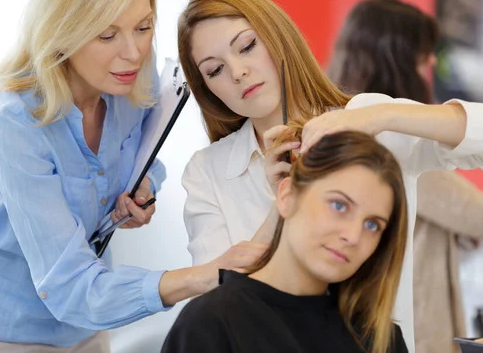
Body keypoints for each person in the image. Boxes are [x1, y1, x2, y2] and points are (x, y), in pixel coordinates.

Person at [0, 0, 267, 352]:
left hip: (84, 319)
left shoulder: (128, 78)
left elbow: (144, 158)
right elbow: (68, 286)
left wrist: (141, 188)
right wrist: (203, 275)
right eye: (107, 35)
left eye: (143, 28)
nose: (133, 52)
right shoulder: (13, 122)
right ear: (62, 33)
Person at [177, 0, 483, 352]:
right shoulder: (207, 171)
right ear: (207, 89)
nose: (237, 72)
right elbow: (217, 300)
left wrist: (383, 114)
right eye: (215, 70)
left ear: (277, 36)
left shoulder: (368, 122)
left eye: (247, 46)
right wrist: (280, 207)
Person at [329, 0, 483, 353]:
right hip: (412, 316)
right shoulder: (390, 138)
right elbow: (482, 215)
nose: (432, 61)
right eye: (424, 52)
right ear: (399, 58)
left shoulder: (353, 122)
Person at [163, 130, 409, 353]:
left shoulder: (382, 340)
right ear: (287, 196)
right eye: (339, 205)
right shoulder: (212, 323)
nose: (353, 236)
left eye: (372, 225)